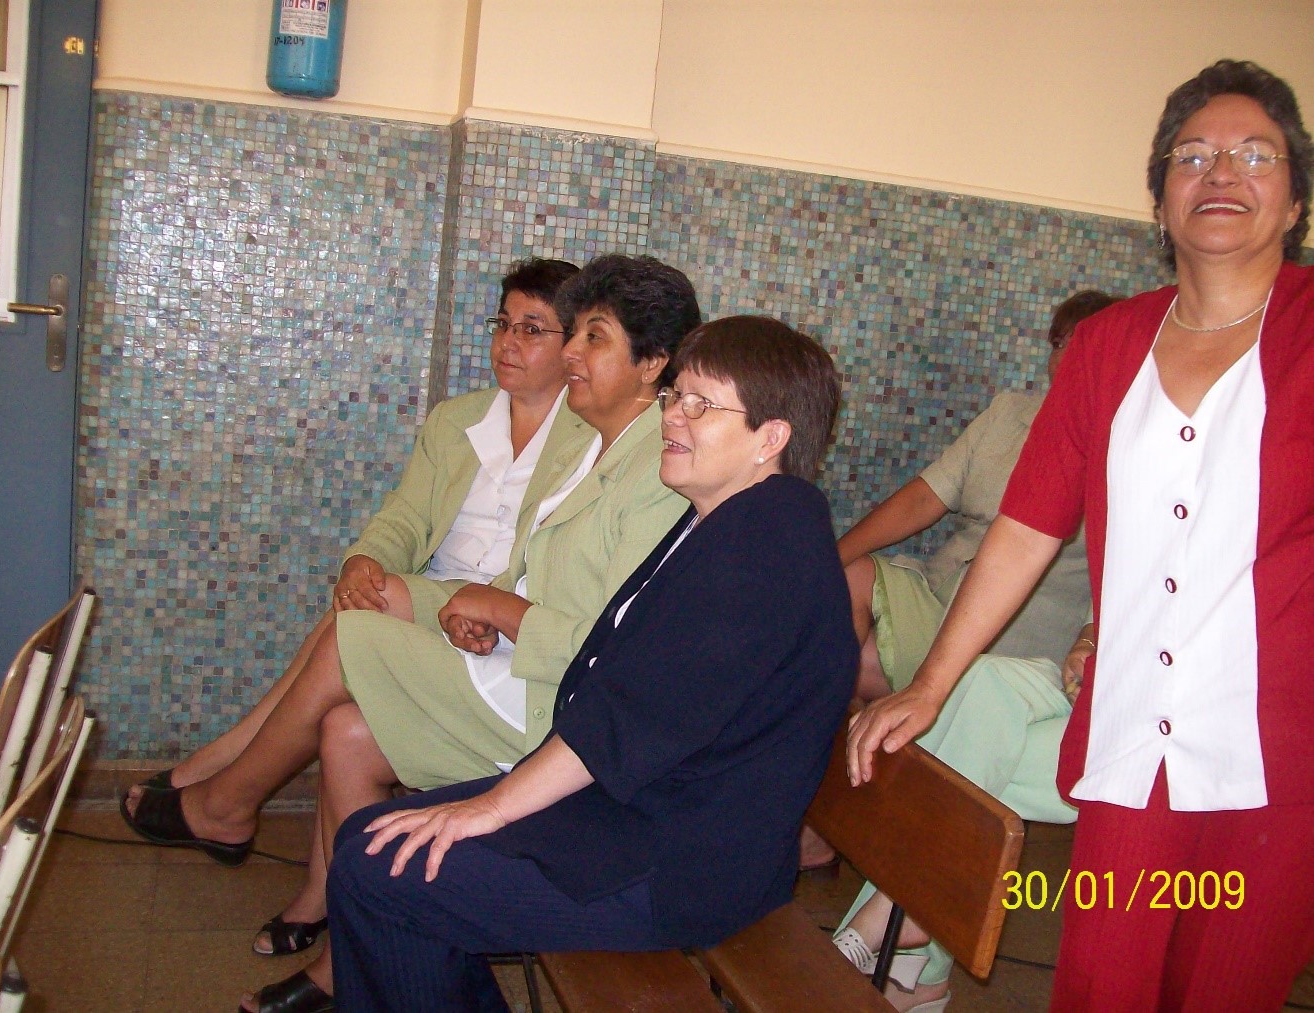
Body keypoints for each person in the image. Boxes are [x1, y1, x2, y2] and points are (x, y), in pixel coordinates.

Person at [848, 60, 1314, 1012]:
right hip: (1132, 740)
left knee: (1224, 991)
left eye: (1254, 155)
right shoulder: (1108, 347)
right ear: (1160, 202)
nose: (1221, 172)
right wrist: (931, 683)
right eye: (1193, 156)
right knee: (1102, 985)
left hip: (1281, 760)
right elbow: (1026, 525)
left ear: (1296, 200)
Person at [122, 253, 698, 1013]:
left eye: (589, 337)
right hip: (515, 661)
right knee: (346, 732)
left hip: (555, 712)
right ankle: (344, 955)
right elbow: (518, 567)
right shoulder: (597, 444)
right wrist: (476, 608)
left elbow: (609, 649)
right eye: (567, 333)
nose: (566, 355)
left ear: (652, 363)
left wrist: (495, 609)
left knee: (350, 636)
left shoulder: (654, 468)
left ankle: (226, 800)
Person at [323, 315, 858, 1011]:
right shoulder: (732, 522)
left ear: (771, 437)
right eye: (675, 396)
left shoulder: (763, 545)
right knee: (370, 844)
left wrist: (490, 807)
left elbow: (633, 716)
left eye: (702, 404)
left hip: (683, 866)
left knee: (376, 871)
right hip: (643, 813)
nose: (673, 416)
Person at [818, 290, 1117, 1010]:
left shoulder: (1132, 444)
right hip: (959, 617)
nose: (1073, 358)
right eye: (1064, 343)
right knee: (967, 717)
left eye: (1093, 346)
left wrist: (1091, 636)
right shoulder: (1014, 414)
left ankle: (894, 930)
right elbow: (930, 495)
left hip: (1035, 653)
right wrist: (829, 556)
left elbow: (1132, 571)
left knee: (972, 728)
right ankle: (907, 947)